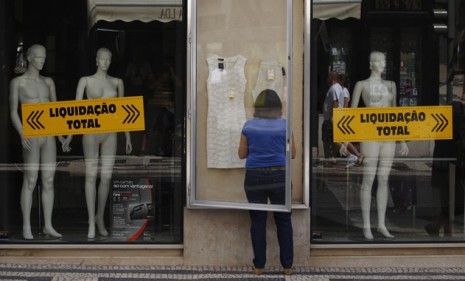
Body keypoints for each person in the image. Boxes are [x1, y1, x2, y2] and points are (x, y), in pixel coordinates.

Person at [62, 48, 132, 239]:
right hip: (91, 132)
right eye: (102, 59)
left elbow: (124, 111)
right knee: (91, 176)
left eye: (108, 59)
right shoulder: (85, 81)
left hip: (110, 133)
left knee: (106, 177)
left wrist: (127, 136)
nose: (105, 62)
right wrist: (69, 135)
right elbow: (76, 110)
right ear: (96, 60)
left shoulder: (117, 82)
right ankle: (91, 222)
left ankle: (100, 217)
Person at [351, 51, 409, 240]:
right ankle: (367, 225)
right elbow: (351, 114)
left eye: (383, 60)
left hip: (388, 136)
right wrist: (347, 140)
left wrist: (401, 139)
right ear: (371, 64)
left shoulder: (391, 85)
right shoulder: (361, 85)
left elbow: (396, 114)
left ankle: (381, 223)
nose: (382, 63)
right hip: (369, 134)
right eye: (378, 60)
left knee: (383, 179)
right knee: (368, 179)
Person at [9, 44, 65, 240]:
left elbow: (57, 110)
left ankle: (48, 225)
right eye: (39, 57)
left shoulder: (48, 82)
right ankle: (26, 225)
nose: (42, 60)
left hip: (48, 133)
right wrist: (22, 132)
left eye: (44, 57)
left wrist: (61, 136)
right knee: (31, 179)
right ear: (30, 58)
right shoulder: (18, 83)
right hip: (31, 133)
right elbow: (13, 112)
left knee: (48, 180)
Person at [238, 89, 295, 275]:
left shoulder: (249, 126)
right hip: (280, 175)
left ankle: (259, 266)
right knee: (284, 220)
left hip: (255, 176)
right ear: (278, 107)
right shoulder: (285, 125)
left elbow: (241, 154)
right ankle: (287, 267)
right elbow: (292, 153)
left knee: (258, 221)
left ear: (257, 107)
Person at [322, 72, 343, 161]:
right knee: (334, 139)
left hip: (329, 119)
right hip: (336, 118)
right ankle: (333, 157)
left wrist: (332, 117)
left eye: (328, 77)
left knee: (326, 139)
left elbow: (335, 102)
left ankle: (329, 159)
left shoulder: (333, 88)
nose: (327, 79)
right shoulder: (339, 87)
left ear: (332, 78)